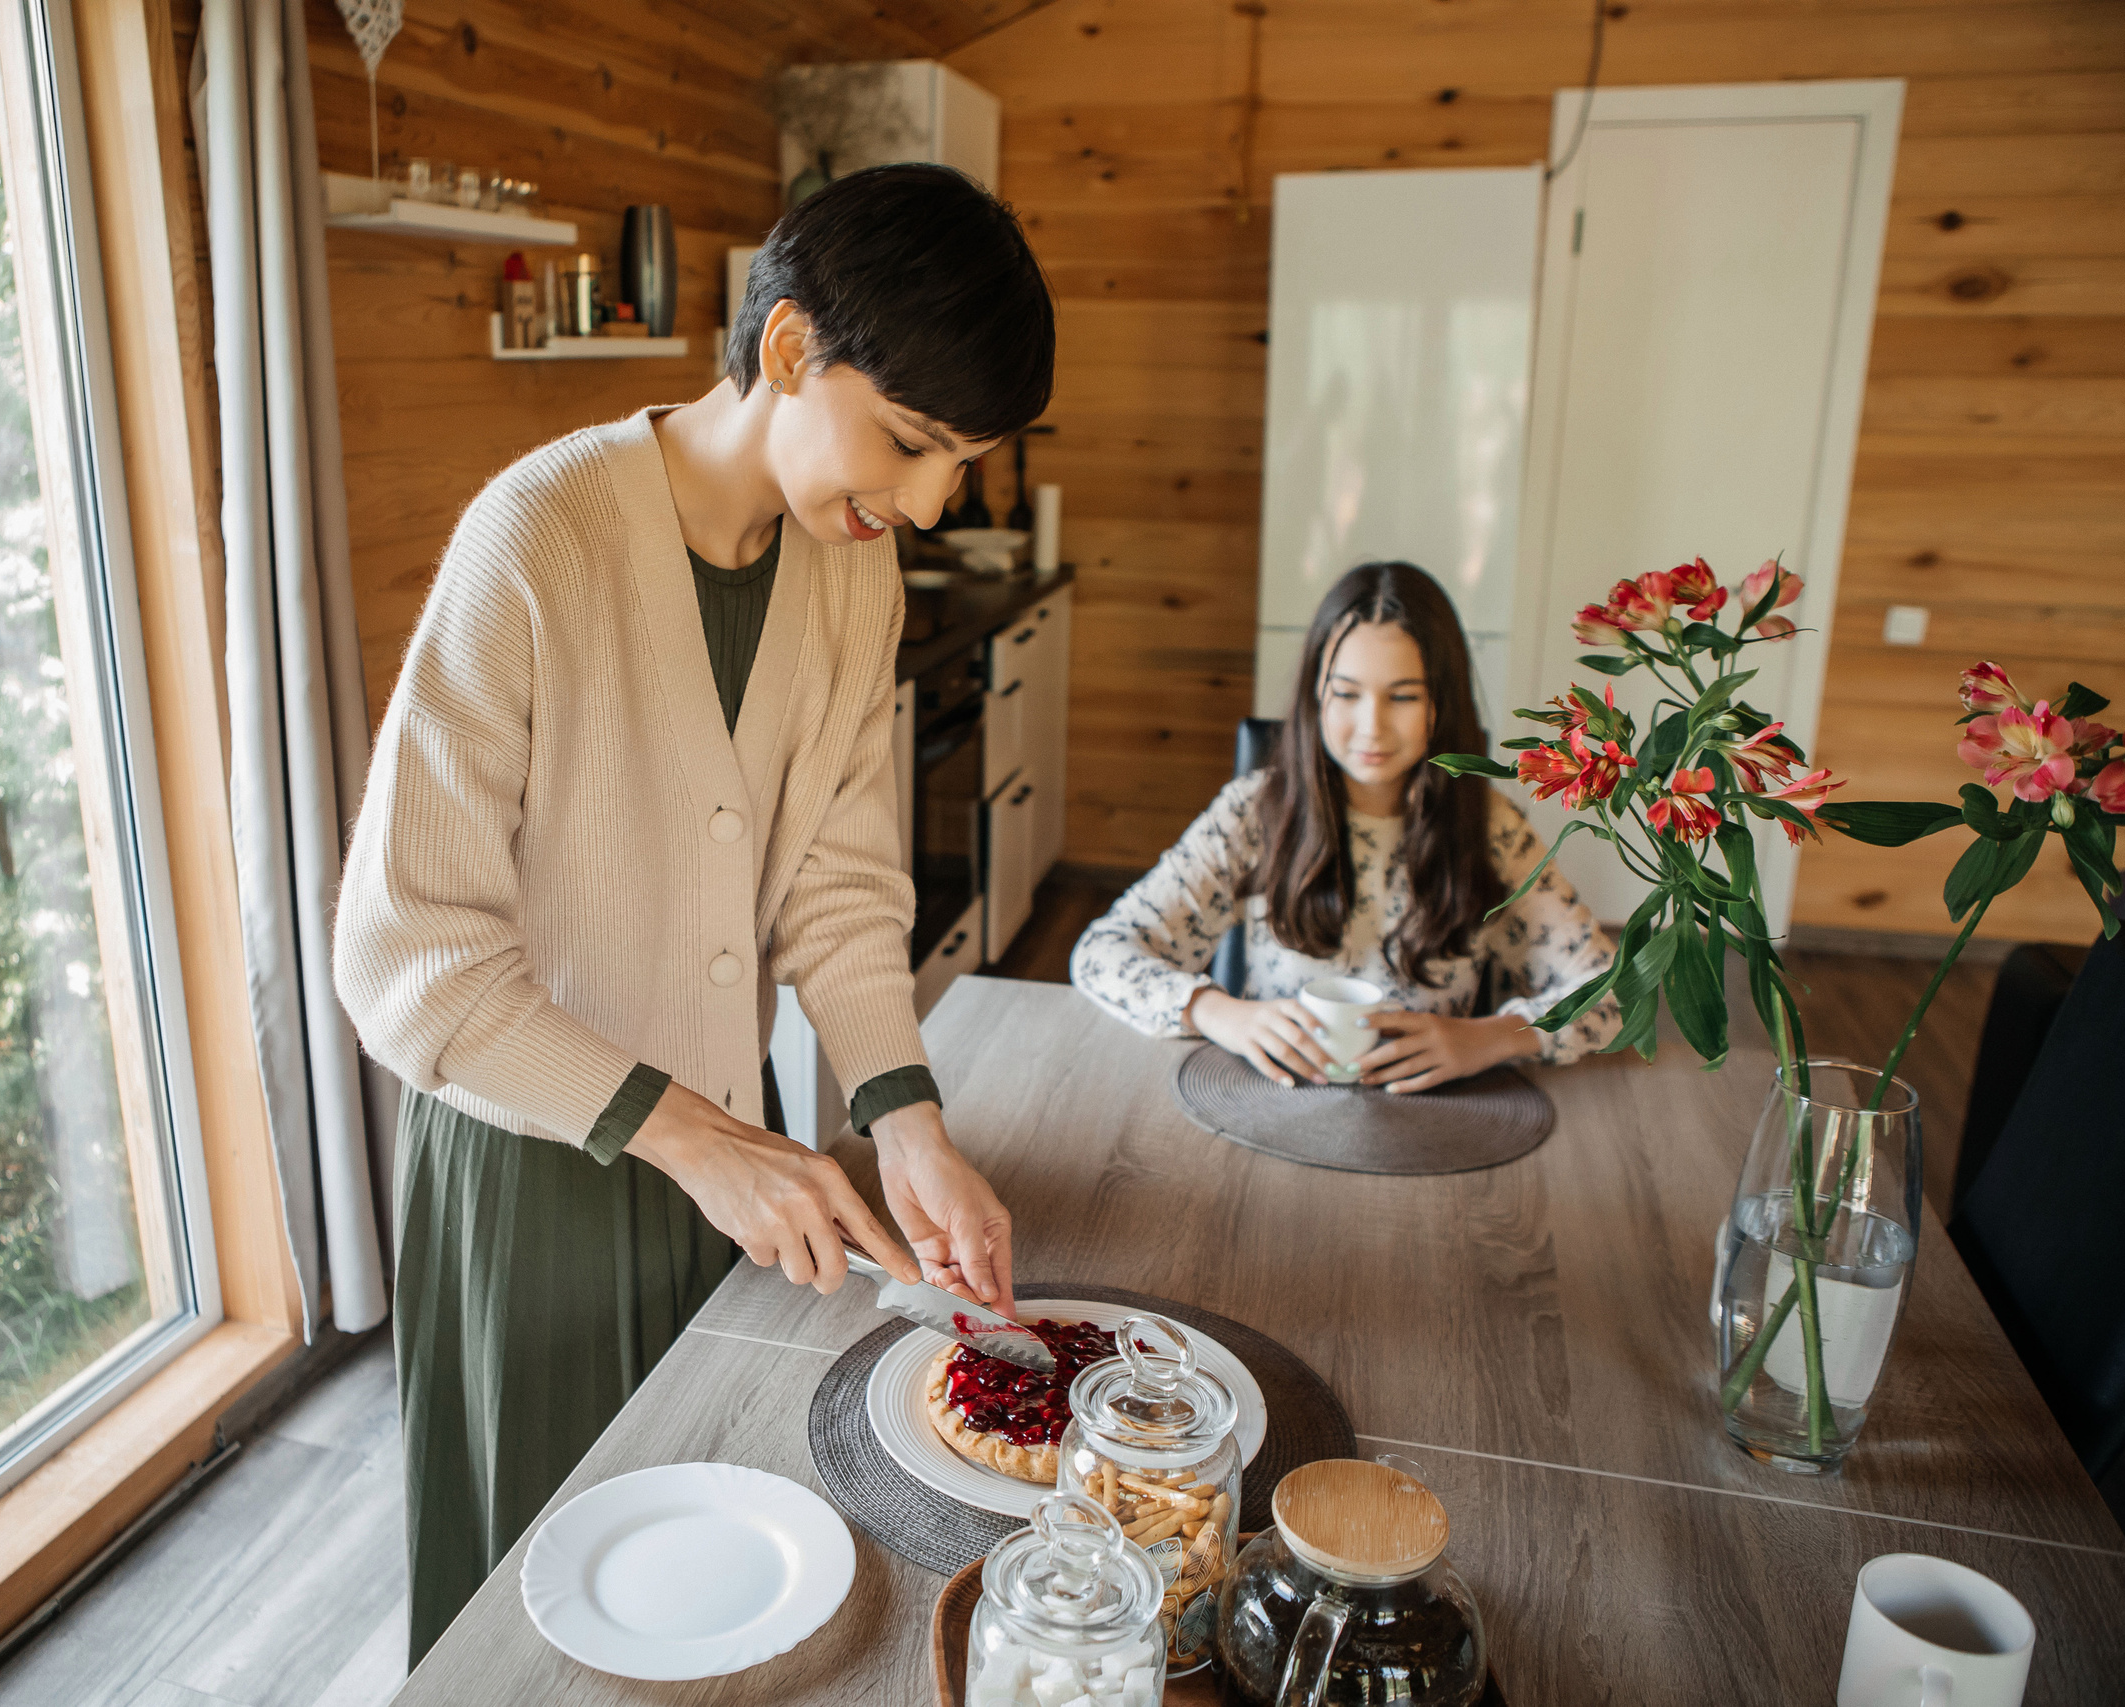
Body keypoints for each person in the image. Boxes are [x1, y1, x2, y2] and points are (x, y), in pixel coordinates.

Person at [333, 163, 1051, 1662]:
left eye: (962, 464)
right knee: (543, 1623)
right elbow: (407, 957)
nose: (928, 503)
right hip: (537, 1178)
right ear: (787, 348)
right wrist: (701, 1139)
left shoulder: (851, 577)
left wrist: (907, 1120)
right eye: (911, 442)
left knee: (708, 1590)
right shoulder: (537, 537)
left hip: (739, 1154)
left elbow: (839, 883)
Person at [1071, 561, 1619, 1087]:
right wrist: (1218, 1012)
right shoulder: (1253, 812)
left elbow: (1613, 993)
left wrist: (1492, 1037)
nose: (1370, 727)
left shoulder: (1489, 828)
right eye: (1347, 693)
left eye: (1402, 696)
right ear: (1317, 693)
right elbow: (1102, 953)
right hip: (1268, 1101)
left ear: (1441, 703)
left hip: (1427, 1118)